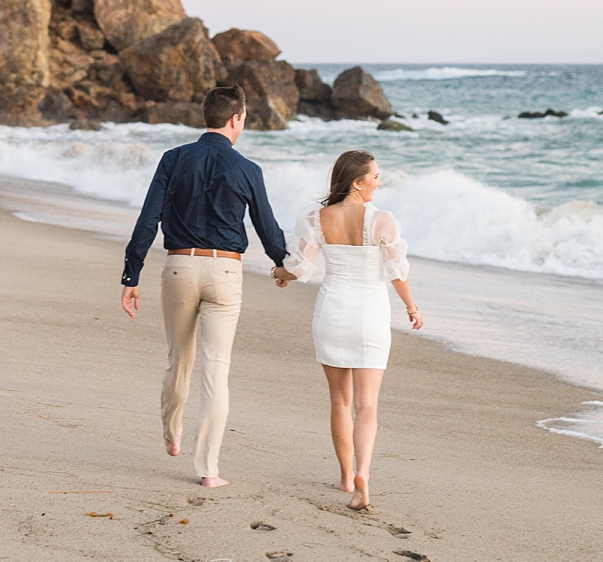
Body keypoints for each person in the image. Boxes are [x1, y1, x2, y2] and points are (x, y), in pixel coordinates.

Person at [121, 84, 289, 487]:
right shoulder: (248, 169)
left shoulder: (173, 159)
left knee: (178, 359)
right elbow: (267, 228)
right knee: (217, 370)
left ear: (207, 116)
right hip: (226, 273)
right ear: (237, 119)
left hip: (179, 267)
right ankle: (209, 470)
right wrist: (283, 264)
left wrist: (132, 274)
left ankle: (171, 432)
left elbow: (149, 220)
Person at [274, 149, 422, 511]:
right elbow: (396, 272)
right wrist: (411, 306)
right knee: (367, 405)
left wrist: (281, 275)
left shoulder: (317, 218)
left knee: (340, 402)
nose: (379, 182)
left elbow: (300, 266)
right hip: (371, 315)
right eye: (374, 176)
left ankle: (343, 477)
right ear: (357, 182)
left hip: (333, 313)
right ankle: (363, 474)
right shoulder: (383, 221)